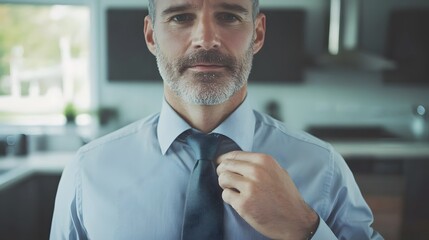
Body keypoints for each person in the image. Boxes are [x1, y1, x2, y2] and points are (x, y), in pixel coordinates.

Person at [50, 0, 383, 239]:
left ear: (258, 33)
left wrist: (304, 228)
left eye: (228, 15)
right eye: (180, 17)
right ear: (151, 36)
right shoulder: (88, 171)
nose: (206, 38)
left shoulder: (323, 167)